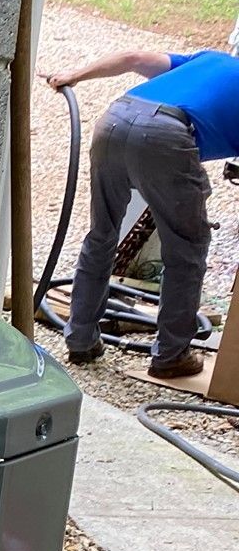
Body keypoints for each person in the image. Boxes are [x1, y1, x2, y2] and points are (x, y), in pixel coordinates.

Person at [43, 44, 239, 377]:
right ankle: (171, 356)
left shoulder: (212, 60)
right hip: (168, 135)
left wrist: (74, 75)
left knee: (102, 234)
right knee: (186, 250)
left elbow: (133, 58)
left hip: (116, 119)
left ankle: (80, 341)